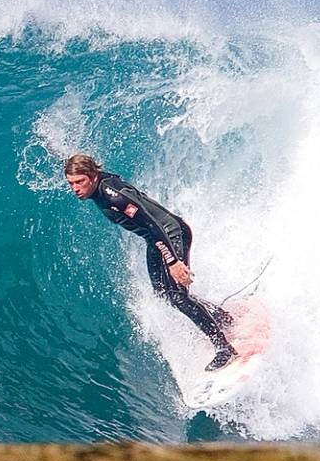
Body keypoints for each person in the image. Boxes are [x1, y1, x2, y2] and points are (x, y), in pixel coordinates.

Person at [64, 153, 237, 371]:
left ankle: (224, 348)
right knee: (164, 294)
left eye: (80, 182)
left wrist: (173, 262)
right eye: (71, 183)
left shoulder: (114, 196)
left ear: (93, 175)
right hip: (154, 240)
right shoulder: (96, 183)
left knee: (178, 297)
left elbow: (152, 224)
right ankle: (222, 318)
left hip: (170, 234)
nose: (75, 188)